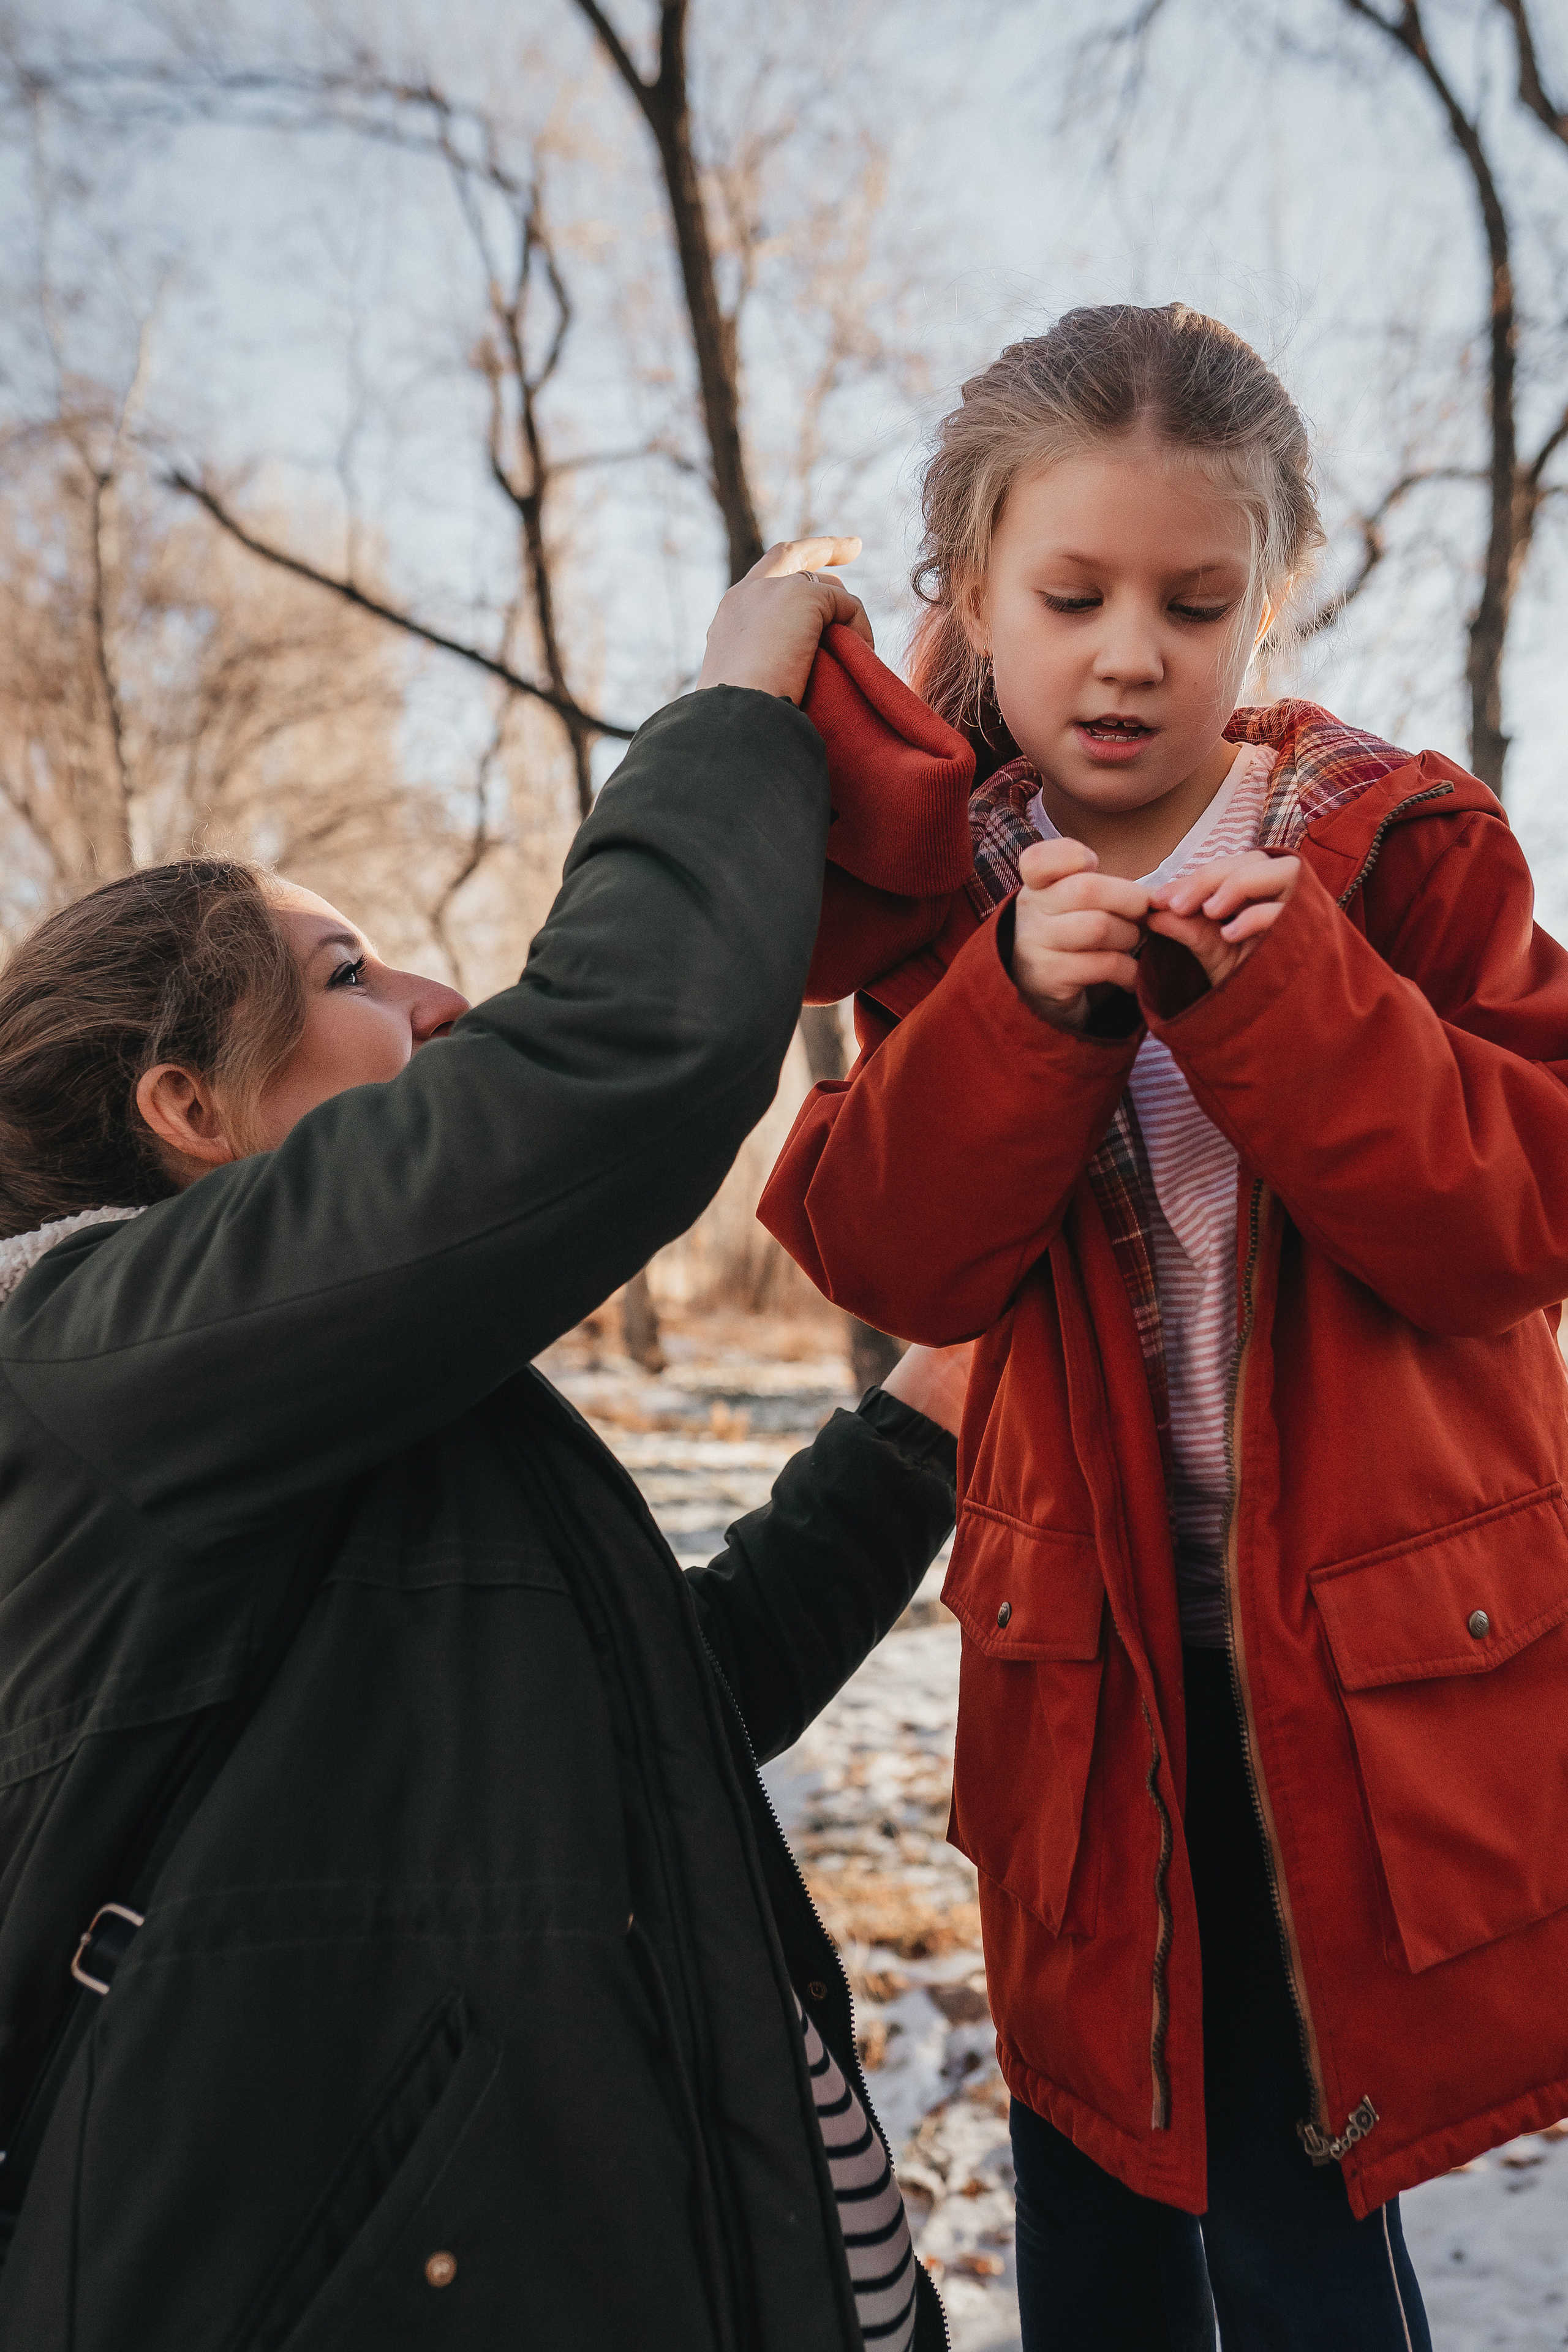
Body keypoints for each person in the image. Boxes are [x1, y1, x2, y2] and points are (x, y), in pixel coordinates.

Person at [0, 543, 960, 2350]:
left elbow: (652, 1707)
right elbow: (616, 1067)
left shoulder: (312, 1392)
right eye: (352, 970)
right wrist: (737, 711)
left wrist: (920, 1423)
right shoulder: (95, 1359)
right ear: (190, 1110)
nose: (437, 998)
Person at [758, 304, 1568, 2350]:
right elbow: (892, 1256)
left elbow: (1518, 1222)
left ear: (1266, 605)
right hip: (1082, 1664)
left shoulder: (1391, 857)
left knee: (1300, 2230)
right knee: (1096, 2186)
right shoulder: (946, 903)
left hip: (1368, 1673)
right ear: (974, 600)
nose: (1132, 651)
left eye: (1195, 602)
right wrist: (1015, 1018)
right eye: (1076, 593)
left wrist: (1301, 1008)